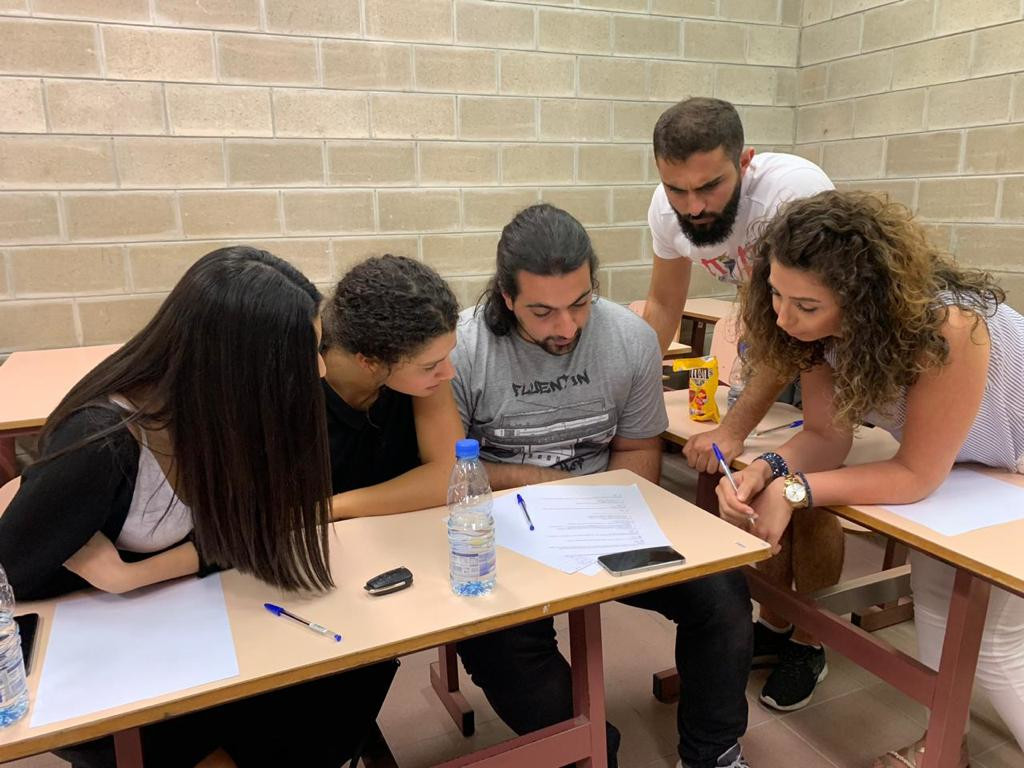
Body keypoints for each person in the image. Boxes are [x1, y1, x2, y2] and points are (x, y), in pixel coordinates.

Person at [0, 247, 395, 768]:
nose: (320, 370)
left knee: (359, 667)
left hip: (186, 616)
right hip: (110, 658)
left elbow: (253, 531)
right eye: (304, 354)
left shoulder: (231, 416)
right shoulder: (103, 443)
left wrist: (131, 576)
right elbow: (14, 576)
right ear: (241, 367)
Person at [715, 190, 1024, 768]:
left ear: (864, 300)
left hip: (1007, 466)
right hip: (977, 465)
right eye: (776, 294)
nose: (783, 318)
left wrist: (796, 491)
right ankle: (945, 747)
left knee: (998, 645)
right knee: (939, 600)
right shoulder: (816, 333)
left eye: (806, 305)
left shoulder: (950, 325)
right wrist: (765, 468)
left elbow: (915, 475)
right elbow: (825, 437)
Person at [451, 203, 754, 768]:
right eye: (542, 312)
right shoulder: (464, 349)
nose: (567, 328)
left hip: (604, 520)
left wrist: (609, 521)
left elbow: (637, 452)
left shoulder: (629, 338)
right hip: (504, 532)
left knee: (722, 594)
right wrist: (551, 485)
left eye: (580, 302)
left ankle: (713, 752)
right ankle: (594, 753)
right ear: (506, 297)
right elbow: (451, 472)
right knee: (499, 644)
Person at [640, 96, 839, 709]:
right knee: (753, 483)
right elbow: (664, 306)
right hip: (768, 340)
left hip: (824, 340)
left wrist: (730, 431)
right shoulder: (667, 210)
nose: (693, 206)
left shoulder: (792, 192)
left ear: (745, 162)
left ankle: (813, 637)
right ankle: (775, 623)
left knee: (811, 492)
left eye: (710, 186)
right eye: (676, 189)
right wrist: (631, 395)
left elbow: (801, 328)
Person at [319, 254, 464, 518]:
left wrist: (332, 507)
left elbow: (452, 475)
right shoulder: (304, 385)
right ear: (370, 362)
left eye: (447, 356)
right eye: (430, 366)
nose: (448, 372)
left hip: (397, 529)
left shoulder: (427, 376)